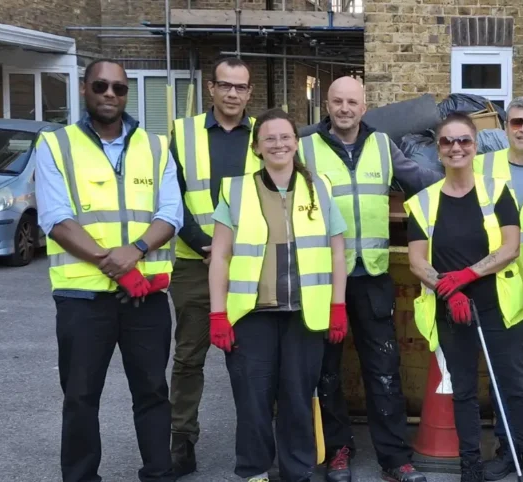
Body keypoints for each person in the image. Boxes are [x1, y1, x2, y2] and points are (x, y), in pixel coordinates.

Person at [35, 58, 182, 482]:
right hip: (82, 298)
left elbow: (170, 213)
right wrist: (113, 264)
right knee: (80, 397)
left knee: (153, 392)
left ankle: (159, 473)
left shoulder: (155, 147)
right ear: (85, 89)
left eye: (119, 88)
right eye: (101, 86)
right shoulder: (56, 145)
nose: (110, 95)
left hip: (146, 297)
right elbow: (57, 220)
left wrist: (135, 249)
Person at [297, 76, 441, 482]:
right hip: (322, 279)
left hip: (373, 275)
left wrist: (466, 183)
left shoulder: (381, 145)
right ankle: (338, 450)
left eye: (352, 102)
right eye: (338, 101)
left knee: (384, 370)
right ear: (328, 104)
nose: (345, 109)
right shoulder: (305, 148)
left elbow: (420, 181)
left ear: (364, 106)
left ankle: (394, 458)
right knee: (326, 372)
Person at [207, 107, 349, 482]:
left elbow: (337, 251)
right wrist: (218, 313)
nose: (278, 144)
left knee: (298, 400)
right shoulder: (236, 190)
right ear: (256, 147)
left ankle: (297, 472)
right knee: (253, 402)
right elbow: (220, 255)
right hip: (252, 315)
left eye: (285, 136)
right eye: (269, 138)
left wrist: (338, 305)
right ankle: (254, 471)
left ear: (296, 143)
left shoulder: (319, 188)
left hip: (306, 314)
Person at [405, 113, 523, 482]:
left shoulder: (497, 191)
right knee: (463, 390)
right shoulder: (421, 203)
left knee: (515, 388)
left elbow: (511, 247)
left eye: (464, 140)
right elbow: (417, 261)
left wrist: (467, 276)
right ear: (438, 150)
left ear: (475, 146)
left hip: (497, 304)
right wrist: (447, 290)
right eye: (448, 142)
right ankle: (470, 465)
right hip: (452, 310)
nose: (456, 148)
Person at [168, 56, 260, 476]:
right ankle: (181, 439)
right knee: (189, 357)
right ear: (211, 87)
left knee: (251, 360)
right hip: (194, 263)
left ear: (249, 93)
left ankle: (256, 444)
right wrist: (205, 244)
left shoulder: (264, 135)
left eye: (240, 88)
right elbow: (171, 197)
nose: (232, 94)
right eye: (225, 85)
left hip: (249, 265)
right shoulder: (183, 133)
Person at [472, 96, 523, 480]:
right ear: (505, 126)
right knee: (507, 376)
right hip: (497, 288)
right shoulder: (481, 165)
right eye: (517, 122)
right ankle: (508, 450)